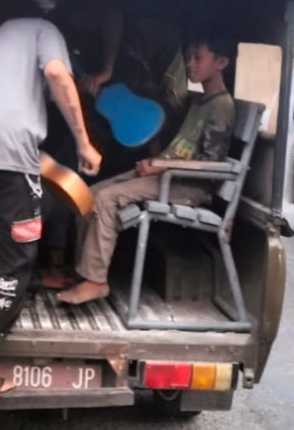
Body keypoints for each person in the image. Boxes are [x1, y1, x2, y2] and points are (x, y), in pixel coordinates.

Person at [0, 0, 101, 397]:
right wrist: (84, 142)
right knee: (20, 255)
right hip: (5, 143)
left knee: (9, 221)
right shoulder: (43, 29)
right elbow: (60, 77)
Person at [59, 32, 236, 307]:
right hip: (167, 175)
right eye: (188, 56)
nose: (189, 63)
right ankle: (83, 271)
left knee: (106, 200)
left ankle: (96, 281)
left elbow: (211, 164)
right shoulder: (199, 101)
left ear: (221, 62)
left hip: (188, 187)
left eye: (197, 58)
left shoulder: (222, 106)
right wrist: (155, 163)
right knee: (90, 193)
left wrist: (159, 167)